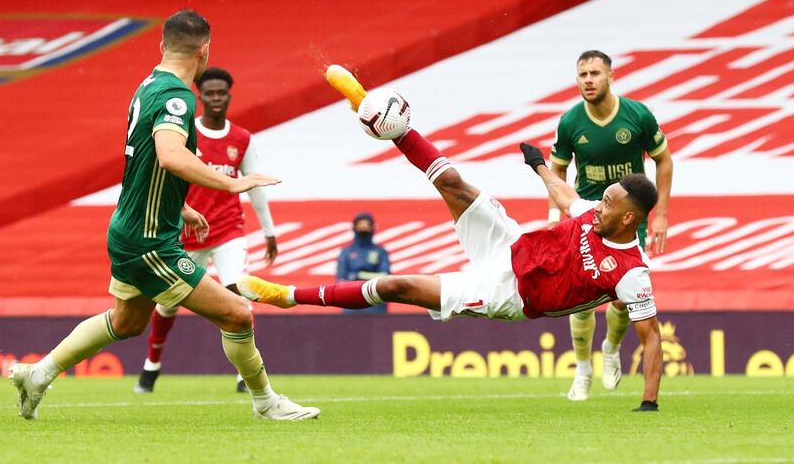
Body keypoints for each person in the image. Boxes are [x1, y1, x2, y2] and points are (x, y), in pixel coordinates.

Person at [238, 87, 662, 411]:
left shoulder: (631, 272)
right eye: (604, 197)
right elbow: (566, 194)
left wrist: (648, 403)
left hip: (508, 294)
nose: (600, 203)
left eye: (610, 203)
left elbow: (652, 336)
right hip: (510, 243)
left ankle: (288, 296)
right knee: (453, 183)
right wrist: (537, 166)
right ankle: (395, 127)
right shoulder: (594, 211)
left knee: (396, 286)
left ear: (629, 219)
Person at [9, 10, 319, 421]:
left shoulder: (147, 86)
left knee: (127, 321)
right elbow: (169, 156)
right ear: (204, 51)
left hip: (131, 225)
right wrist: (229, 184)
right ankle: (266, 402)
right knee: (237, 313)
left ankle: (38, 374)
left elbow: (143, 163)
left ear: (162, 46)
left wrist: (182, 206)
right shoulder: (178, 97)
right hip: (149, 240)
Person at [134, 67, 280, 394]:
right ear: (200, 96)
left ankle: (246, 374)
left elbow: (254, 186)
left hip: (229, 230)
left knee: (237, 290)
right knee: (168, 305)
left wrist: (268, 231)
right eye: (210, 93)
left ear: (229, 95)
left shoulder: (241, 139)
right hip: (186, 234)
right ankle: (151, 366)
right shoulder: (184, 133)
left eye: (221, 93)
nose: (215, 98)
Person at [550, 50, 673, 401]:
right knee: (581, 299)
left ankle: (610, 348)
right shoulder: (571, 122)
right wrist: (557, 213)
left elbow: (664, 160)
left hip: (628, 222)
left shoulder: (637, 115)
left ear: (611, 76)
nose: (588, 80)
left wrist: (660, 213)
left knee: (622, 300)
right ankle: (583, 370)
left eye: (595, 73)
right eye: (582, 74)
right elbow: (557, 169)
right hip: (587, 217)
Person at [337, 212, 391, 314]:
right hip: (351, 306)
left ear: (372, 227)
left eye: (366, 225)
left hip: (376, 306)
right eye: (360, 225)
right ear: (354, 227)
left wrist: (359, 275)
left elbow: (385, 277)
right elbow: (341, 280)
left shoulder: (380, 252)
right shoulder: (346, 252)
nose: (363, 228)